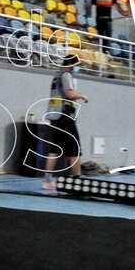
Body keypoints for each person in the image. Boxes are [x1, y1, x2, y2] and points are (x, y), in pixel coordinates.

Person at [42, 53, 88, 190]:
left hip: (55, 117)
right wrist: (82, 96)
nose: (76, 68)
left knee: (54, 149)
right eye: (76, 65)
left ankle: (47, 180)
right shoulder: (66, 75)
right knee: (75, 149)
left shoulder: (56, 76)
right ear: (72, 65)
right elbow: (69, 94)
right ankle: (77, 180)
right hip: (65, 116)